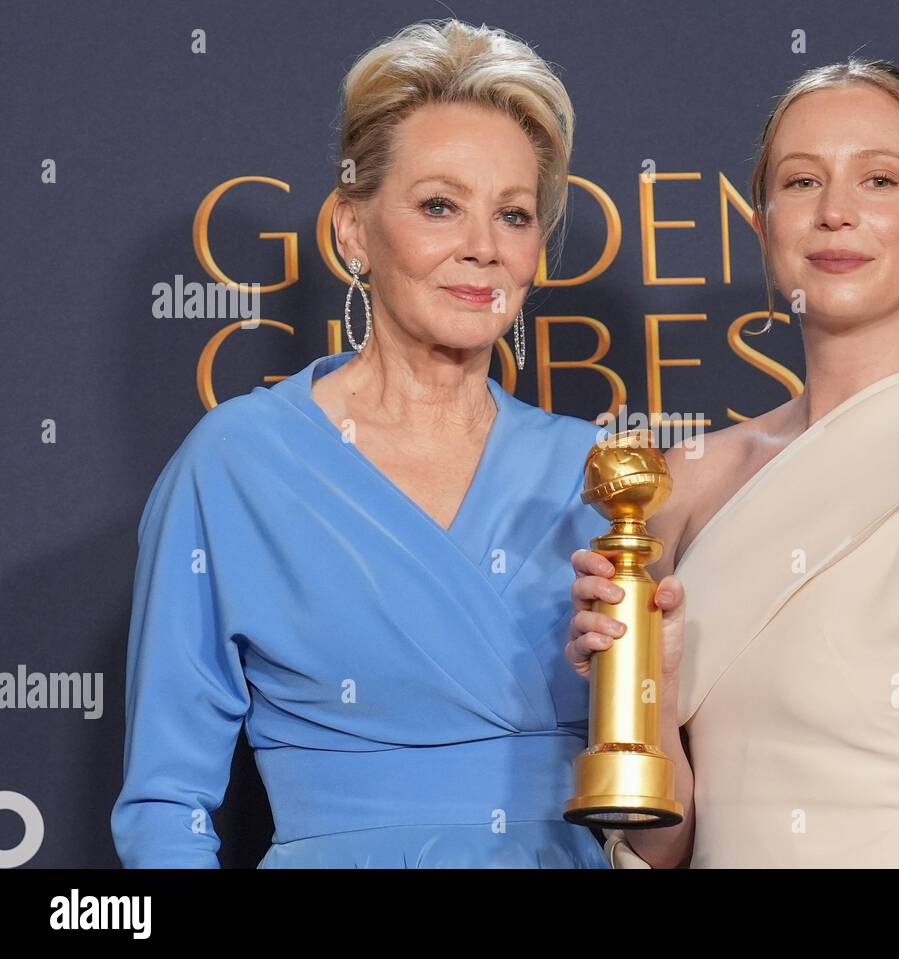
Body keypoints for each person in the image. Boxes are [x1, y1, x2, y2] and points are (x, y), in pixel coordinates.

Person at [111, 19, 613, 868]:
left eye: (514, 214)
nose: (482, 247)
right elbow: (167, 803)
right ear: (353, 229)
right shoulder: (237, 464)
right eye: (439, 206)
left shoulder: (595, 474)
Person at [566, 59, 899, 868]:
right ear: (762, 223)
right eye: (803, 181)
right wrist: (647, 697)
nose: (837, 213)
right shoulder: (681, 483)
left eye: (879, 180)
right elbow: (662, 844)